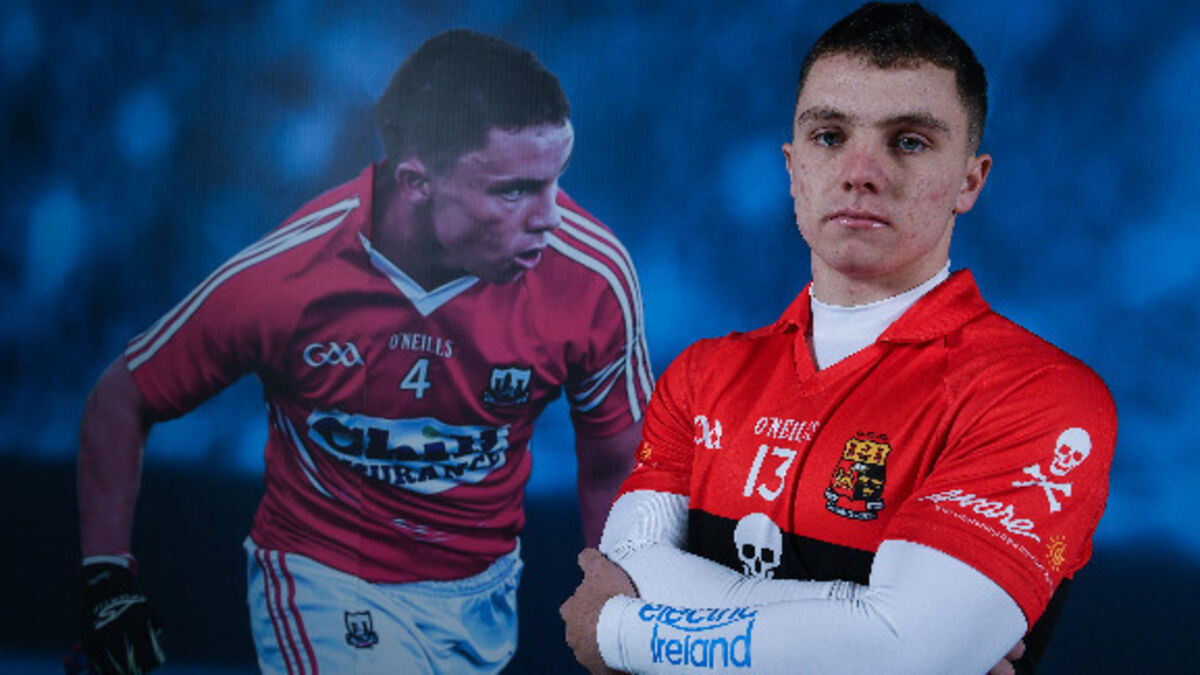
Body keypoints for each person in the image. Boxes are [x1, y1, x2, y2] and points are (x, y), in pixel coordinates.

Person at [560, 3, 1115, 673]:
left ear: (970, 180)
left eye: (909, 141)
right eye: (829, 136)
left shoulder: (1038, 395)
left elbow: (904, 654)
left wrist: (621, 631)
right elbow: (627, 564)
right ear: (793, 167)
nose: (860, 172)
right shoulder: (702, 375)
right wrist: (865, 625)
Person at [76, 29, 652, 674]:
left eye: (554, 180)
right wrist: (107, 579)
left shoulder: (593, 276)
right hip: (323, 578)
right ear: (417, 182)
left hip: (482, 599)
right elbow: (122, 398)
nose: (549, 217)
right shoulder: (290, 276)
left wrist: (623, 613)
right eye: (514, 190)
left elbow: (615, 464)